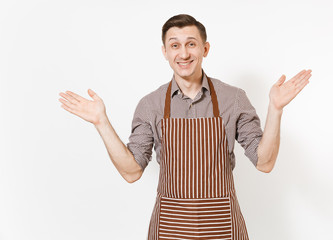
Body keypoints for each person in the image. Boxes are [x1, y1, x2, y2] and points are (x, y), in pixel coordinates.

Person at [59, 14, 312, 240]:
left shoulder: (233, 99)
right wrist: (101, 122)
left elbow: (265, 163)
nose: (184, 53)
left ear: (205, 48)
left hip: (222, 226)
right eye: (175, 45)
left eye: (191, 44)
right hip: (170, 227)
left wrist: (275, 109)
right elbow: (131, 172)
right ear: (165, 52)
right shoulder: (151, 105)